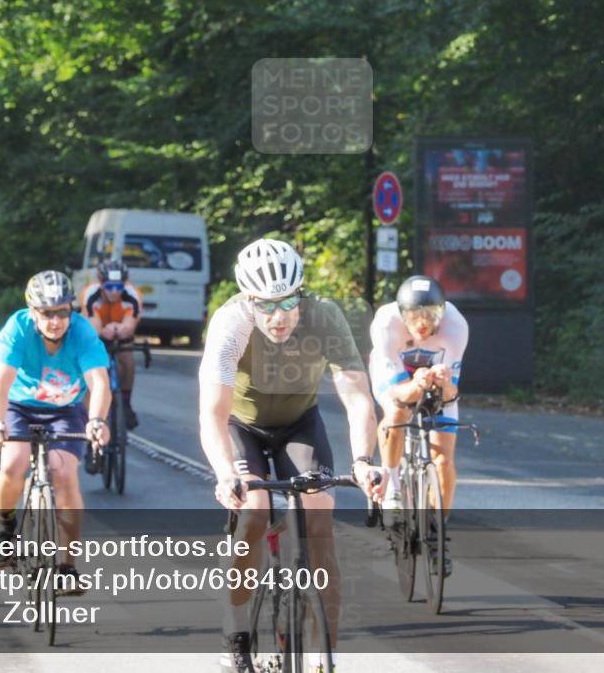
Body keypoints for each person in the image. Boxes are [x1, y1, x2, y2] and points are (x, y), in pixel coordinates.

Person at [199, 238, 385, 673]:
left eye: (287, 302)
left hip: (299, 423)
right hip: (241, 425)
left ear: (301, 293)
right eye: (265, 305)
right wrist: (226, 473)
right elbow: (212, 413)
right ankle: (237, 627)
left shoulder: (325, 317)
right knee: (254, 511)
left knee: (320, 518)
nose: (277, 316)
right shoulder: (230, 324)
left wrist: (362, 460)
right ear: (248, 300)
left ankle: (323, 656)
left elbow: (358, 397)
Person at [0, 270, 111, 591]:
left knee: (64, 474)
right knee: (12, 463)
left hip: (65, 409)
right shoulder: (18, 329)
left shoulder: (82, 332)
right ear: (33, 312)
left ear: (71, 310)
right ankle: (6, 525)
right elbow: (0, 383)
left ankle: (67, 566)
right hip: (17, 406)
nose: (56, 321)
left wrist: (96, 421)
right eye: (48, 314)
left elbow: (99, 382)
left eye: (63, 312)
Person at [368, 275, 469, 574]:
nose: (422, 324)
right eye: (414, 316)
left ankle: (437, 533)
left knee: (443, 461)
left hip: (437, 382)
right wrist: (416, 384)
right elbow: (399, 393)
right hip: (397, 380)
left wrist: (442, 382)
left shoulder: (456, 326)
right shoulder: (386, 324)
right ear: (402, 314)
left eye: (430, 316)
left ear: (442, 312)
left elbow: (452, 394)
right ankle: (393, 488)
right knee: (398, 414)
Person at [79, 259, 142, 429]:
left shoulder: (132, 295)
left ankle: (126, 403)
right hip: (96, 330)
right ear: (101, 284)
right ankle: (87, 412)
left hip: (120, 330)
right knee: (91, 366)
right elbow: (94, 327)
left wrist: (122, 329)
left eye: (119, 287)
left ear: (124, 284)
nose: (114, 292)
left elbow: (130, 324)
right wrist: (104, 330)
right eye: (109, 287)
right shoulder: (90, 294)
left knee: (127, 358)